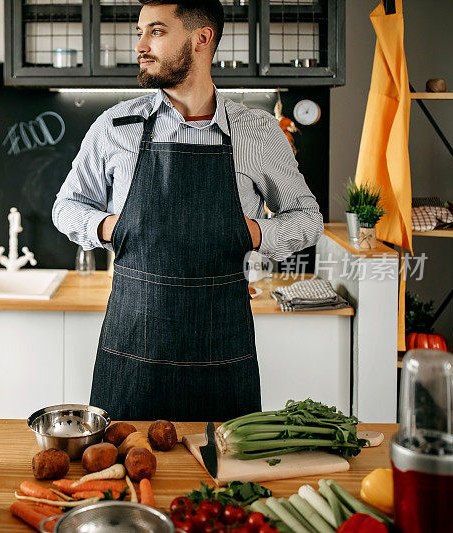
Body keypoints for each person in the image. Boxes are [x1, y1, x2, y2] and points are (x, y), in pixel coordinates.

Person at [51, 0, 323, 421]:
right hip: (132, 347)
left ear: (202, 38)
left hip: (221, 348)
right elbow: (66, 207)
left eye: (156, 31)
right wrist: (110, 226)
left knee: (219, 479)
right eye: (139, 32)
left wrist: (256, 234)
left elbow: (308, 218)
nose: (141, 45)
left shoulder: (257, 132)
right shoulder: (116, 126)